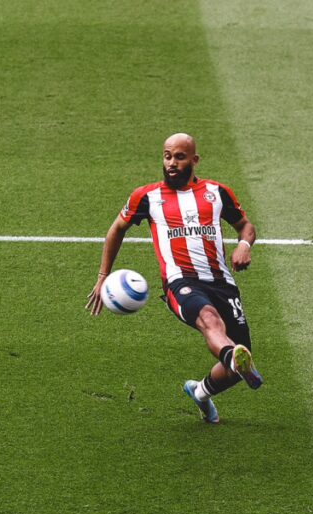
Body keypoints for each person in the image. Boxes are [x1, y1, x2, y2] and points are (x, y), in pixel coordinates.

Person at [87, 133, 263, 424]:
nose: (171, 163)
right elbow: (116, 229)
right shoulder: (147, 196)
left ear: (194, 160)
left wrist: (244, 245)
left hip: (222, 284)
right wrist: (103, 276)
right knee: (210, 320)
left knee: (233, 374)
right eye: (167, 156)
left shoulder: (217, 192)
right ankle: (232, 354)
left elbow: (245, 226)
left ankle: (201, 392)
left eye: (179, 157)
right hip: (180, 283)